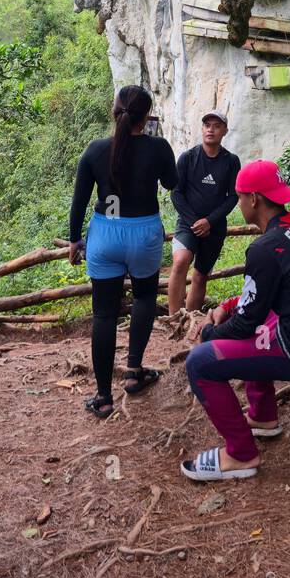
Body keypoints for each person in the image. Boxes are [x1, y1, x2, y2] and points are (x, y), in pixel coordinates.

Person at [181, 160, 290, 481]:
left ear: (254, 199)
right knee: (255, 321)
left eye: (240, 197)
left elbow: (245, 324)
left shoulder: (264, 248)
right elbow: (264, 298)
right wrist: (231, 305)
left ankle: (241, 454)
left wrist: (211, 332)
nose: (238, 204)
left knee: (200, 362)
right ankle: (263, 417)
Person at [68, 85, 178, 418]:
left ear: (114, 110)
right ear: (146, 116)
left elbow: (80, 202)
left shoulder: (96, 149)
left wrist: (75, 240)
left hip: (106, 233)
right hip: (144, 233)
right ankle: (133, 373)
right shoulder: (158, 148)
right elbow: (172, 183)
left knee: (104, 312)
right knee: (144, 298)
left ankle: (103, 397)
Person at [167, 110, 241, 315]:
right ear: (202, 129)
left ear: (225, 131)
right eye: (207, 125)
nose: (211, 129)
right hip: (187, 224)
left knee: (200, 275)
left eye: (217, 126)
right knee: (181, 261)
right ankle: (173, 319)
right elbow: (176, 193)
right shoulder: (188, 158)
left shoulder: (231, 161)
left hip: (215, 228)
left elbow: (233, 197)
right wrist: (196, 223)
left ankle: (190, 319)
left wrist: (209, 221)